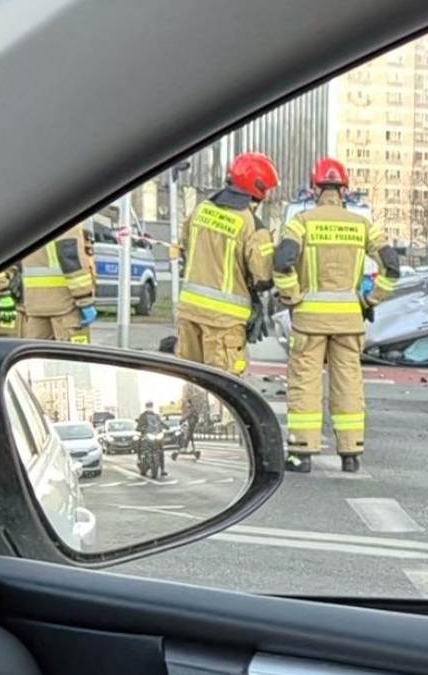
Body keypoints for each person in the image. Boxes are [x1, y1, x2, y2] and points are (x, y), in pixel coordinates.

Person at [275, 157, 400, 474]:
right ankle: (351, 453)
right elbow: (392, 267)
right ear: (344, 189)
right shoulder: (363, 226)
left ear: (315, 187)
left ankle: (302, 454)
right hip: (349, 320)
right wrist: (371, 299)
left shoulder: (300, 222)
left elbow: (282, 263)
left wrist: (293, 297)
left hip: (309, 321)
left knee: (305, 384)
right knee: (348, 385)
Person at [176, 152, 279, 375]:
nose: (269, 195)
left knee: (189, 382)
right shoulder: (251, 224)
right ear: (257, 187)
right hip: (224, 322)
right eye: (268, 189)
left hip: (189, 313)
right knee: (224, 388)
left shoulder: (201, 209)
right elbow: (263, 276)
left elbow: (186, 245)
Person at [22, 225, 95, 343]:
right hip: (65, 305)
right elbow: (71, 259)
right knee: (72, 358)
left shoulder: (30, 220)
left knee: (37, 355)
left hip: (35, 304)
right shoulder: (66, 219)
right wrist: (84, 299)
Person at [135, 401, 168, 479]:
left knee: (161, 450)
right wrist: (142, 429)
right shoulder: (142, 416)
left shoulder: (156, 416)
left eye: (151, 406)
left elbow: (160, 423)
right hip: (146, 434)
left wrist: (166, 427)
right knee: (139, 443)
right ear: (146, 407)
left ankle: (162, 469)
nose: (149, 408)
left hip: (156, 435)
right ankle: (140, 459)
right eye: (148, 406)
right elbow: (138, 427)